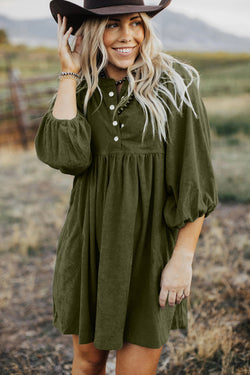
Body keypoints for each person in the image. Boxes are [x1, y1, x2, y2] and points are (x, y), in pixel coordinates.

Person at [34, 0, 219, 374]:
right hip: (90, 245)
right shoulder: (83, 88)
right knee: (87, 362)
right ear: (89, 32)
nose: (126, 36)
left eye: (136, 23)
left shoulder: (176, 86)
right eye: (111, 24)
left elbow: (193, 181)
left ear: (147, 28)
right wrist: (69, 74)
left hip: (149, 251)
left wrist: (182, 259)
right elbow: (68, 158)